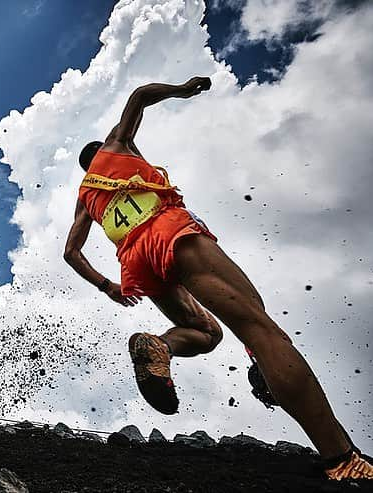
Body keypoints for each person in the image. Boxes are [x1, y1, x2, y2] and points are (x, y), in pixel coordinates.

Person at [63, 77, 372, 481]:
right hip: (170, 234)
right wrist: (182, 90)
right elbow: (139, 97)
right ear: (104, 151)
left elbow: (71, 252)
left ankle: (161, 346)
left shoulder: (87, 197)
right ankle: (341, 459)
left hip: (140, 263)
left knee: (206, 332)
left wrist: (109, 286)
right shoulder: (116, 148)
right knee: (260, 327)